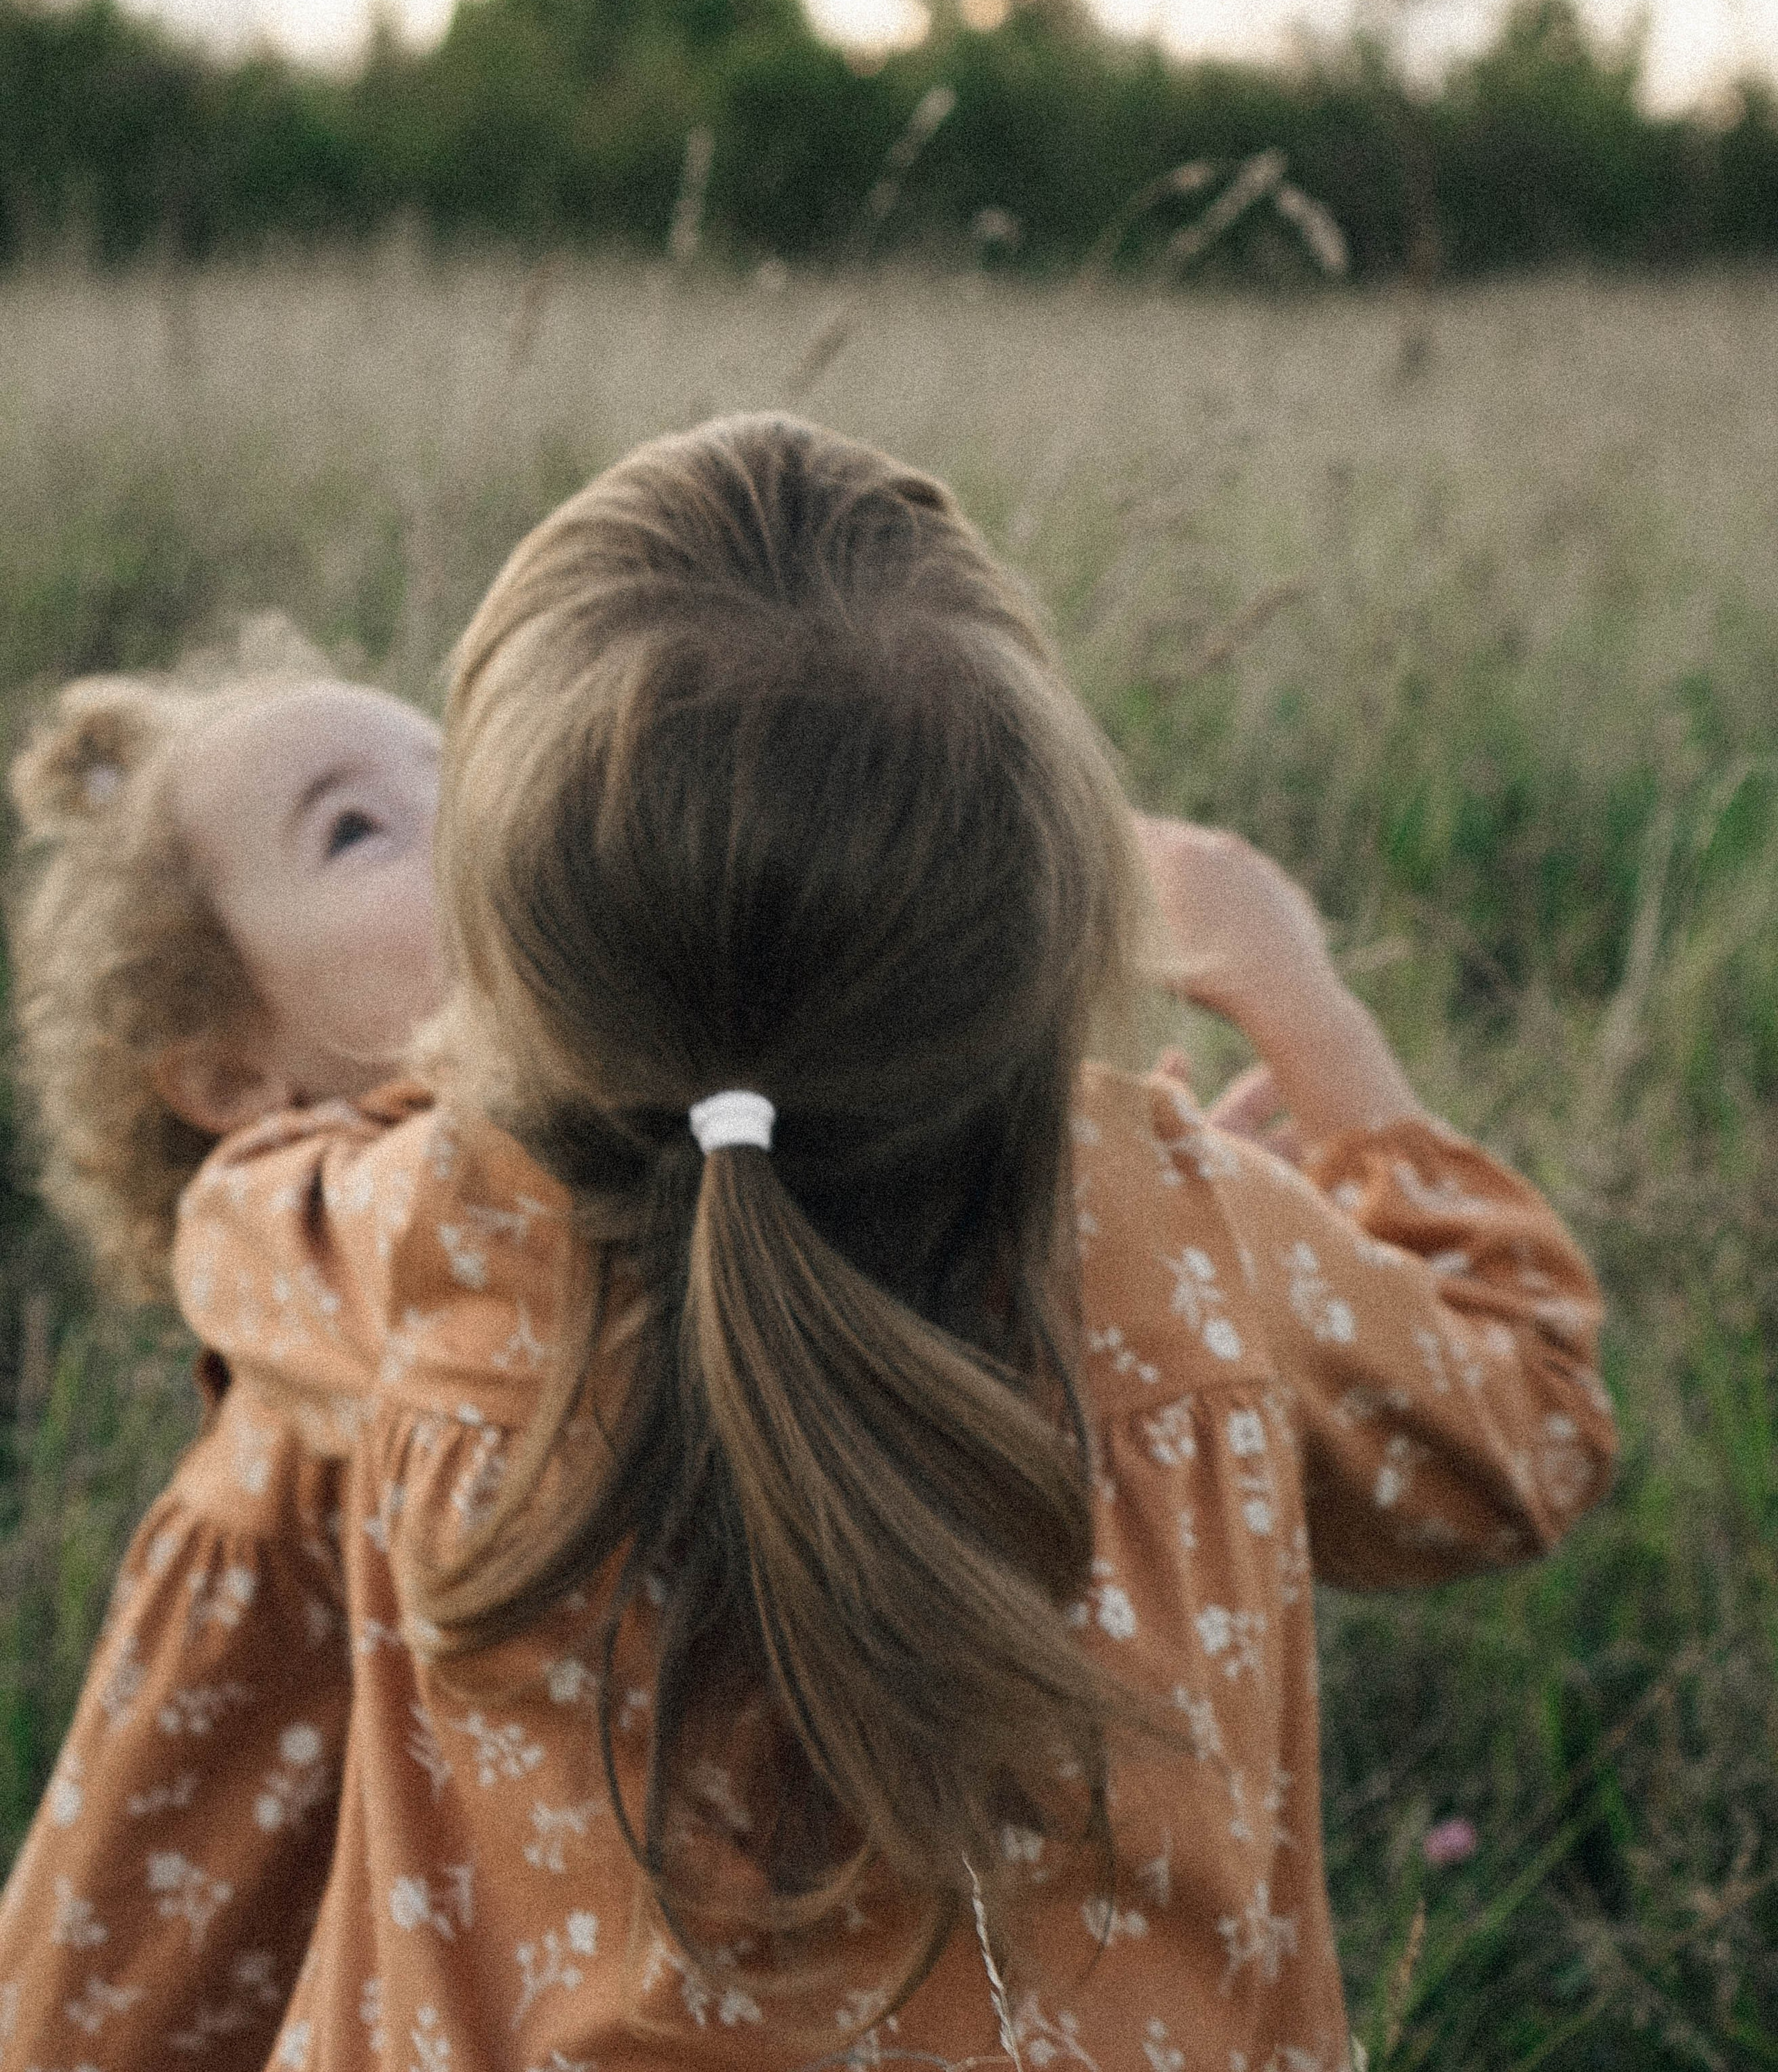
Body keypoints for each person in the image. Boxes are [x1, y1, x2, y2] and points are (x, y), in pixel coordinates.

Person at [167, 416, 1615, 2072]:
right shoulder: (1167, 1224)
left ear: (505, 954)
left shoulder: (419, 1234)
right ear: (1050, 909)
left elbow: (227, 1228)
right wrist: (1298, 1008)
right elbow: (1526, 1422)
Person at [0, 635, 442, 2071]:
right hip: (225, 1968)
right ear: (235, 1075)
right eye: (359, 827)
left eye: (477, 769)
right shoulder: (293, 1218)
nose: (486, 822)